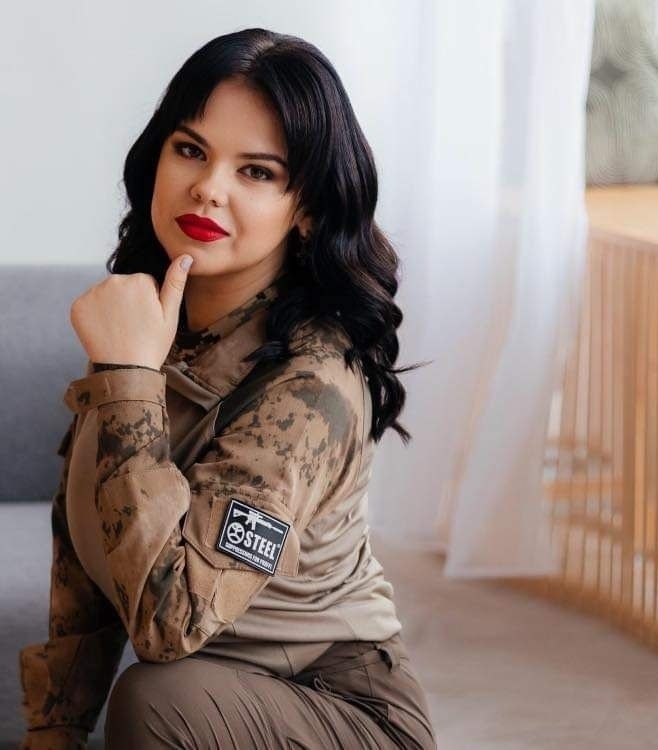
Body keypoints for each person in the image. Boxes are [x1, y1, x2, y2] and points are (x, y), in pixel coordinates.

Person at [17, 27, 437, 750]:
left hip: (341, 709)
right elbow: (90, 545)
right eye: (190, 150)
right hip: (219, 694)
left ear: (306, 208)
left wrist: (127, 382)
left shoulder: (310, 388)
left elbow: (169, 620)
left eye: (257, 172)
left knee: (158, 700)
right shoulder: (148, 324)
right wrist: (54, 732)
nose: (209, 187)